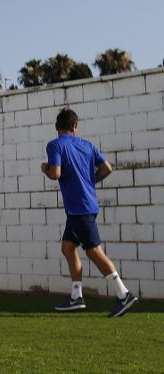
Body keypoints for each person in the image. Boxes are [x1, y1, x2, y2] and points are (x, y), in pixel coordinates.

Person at [41, 108, 138, 317]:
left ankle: (123, 294)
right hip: (86, 206)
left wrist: (45, 168)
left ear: (57, 127)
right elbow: (107, 168)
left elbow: (55, 173)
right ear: (75, 127)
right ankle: (77, 296)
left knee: (93, 251)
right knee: (68, 247)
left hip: (79, 209)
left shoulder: (54, 145)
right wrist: (89, 181)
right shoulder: (87, 145)